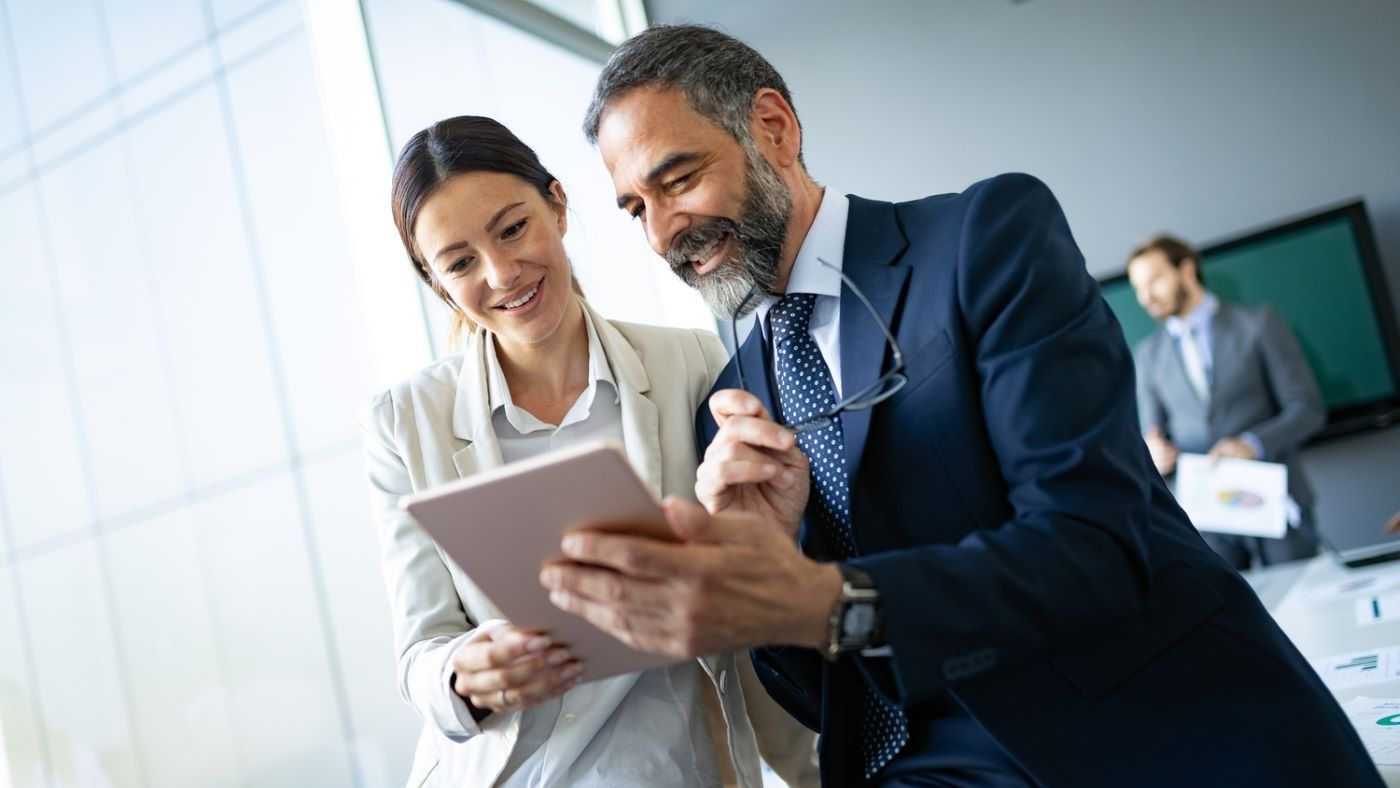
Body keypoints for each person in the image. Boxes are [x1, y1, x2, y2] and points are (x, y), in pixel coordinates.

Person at [536, 24, 1383, 787]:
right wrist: (763, 560)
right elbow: (816, 694)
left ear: (773, 128)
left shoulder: (984, 240)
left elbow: (1095, 544)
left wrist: (827, 597)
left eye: (677, 179)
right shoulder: (730, 404)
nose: (660, 234)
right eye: (635, 208)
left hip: (1137, 740)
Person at [361, 115, 817, 787]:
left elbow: (750, 579)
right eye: (460, 263)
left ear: (558, 204)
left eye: (514, 228)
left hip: (684, 766)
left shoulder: (687, 362)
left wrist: (811, 769)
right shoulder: (405, 422)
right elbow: (420, 652)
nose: (503, 272)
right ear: (435, 282)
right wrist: (464, 674)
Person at [1126, 234, 1326, 569]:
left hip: (1276, 503)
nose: (1146, 297)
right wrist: (1154, 454)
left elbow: (1307, 408)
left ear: (1187, 270)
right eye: (1138, 288)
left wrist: (1252, 444)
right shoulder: (1147, 355)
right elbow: (1153, 435)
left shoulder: (1259, 323)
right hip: (1208, 520)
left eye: (1155, 280)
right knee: (1227, 617)